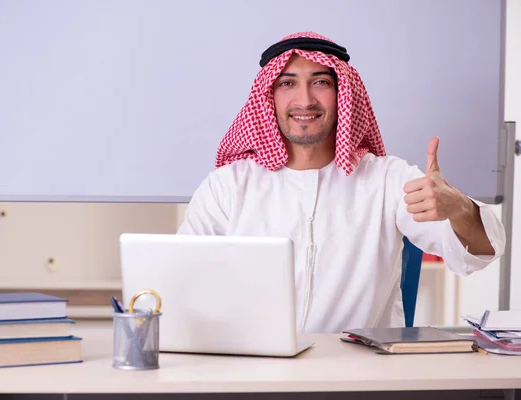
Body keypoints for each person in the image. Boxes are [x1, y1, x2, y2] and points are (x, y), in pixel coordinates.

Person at [176, 32, 505, 333]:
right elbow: (179, 279)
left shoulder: (388, 180)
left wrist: (459, 207)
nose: (305, 101)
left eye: (320, 82)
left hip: (359, 375)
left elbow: (484, 251)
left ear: (342, 93)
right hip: (251, 374)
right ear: (269, 97)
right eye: (287, 84)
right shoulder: (227, 187)